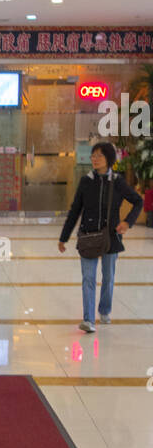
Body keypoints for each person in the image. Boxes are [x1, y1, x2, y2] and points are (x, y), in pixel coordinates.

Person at [58, 141, 142, 333]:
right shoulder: (86, 181)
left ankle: (104, 310)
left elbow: (138, 201)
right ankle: (88, 319)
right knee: (88, 278)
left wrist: (127, 222)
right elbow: (75, 210)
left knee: (108, 277)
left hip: (111, 237)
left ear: (109, 159)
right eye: (93, 155)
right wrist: (64, 237)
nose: (94, 159)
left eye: (99, 156)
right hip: (88, 236)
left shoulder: (118, 182)